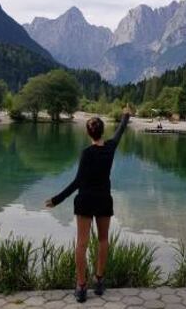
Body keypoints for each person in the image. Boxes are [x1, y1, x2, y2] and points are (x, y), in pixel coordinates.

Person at [44, 106, 131, 303]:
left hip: (85, 201)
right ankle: (99, 281)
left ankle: (82, 287)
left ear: (88, 133)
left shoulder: (86, 153)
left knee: (81, 244)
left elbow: (77, 182)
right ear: (102, 132)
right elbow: (121, 130)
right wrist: (125, 114)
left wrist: (57, 200)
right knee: (102, 240)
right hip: (103, 200)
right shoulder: (110, 148)